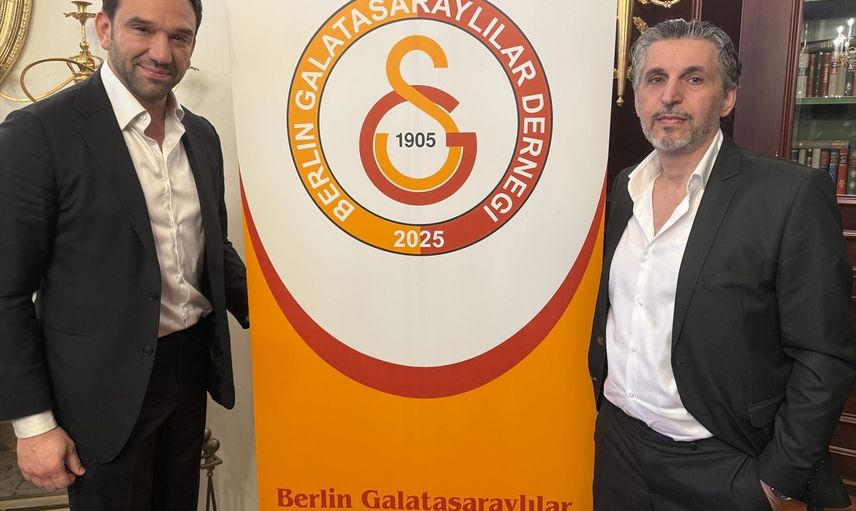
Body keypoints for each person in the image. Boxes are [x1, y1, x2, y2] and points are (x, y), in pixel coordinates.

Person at [589, 18, 856, 510]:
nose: (670, 96)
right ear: (639, 96)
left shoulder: (789, 195)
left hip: (722, 463)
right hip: (619, 448)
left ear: (727, 98)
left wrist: (776, 482)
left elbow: (824, 354)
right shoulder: (626, 188)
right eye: (655, 79)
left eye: (693, 78)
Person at [0, 0, 249, 509]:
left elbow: (212, 249)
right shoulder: (38, 134)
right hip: (97, 394)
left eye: (179, 36)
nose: (161, 52)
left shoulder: (201, 135)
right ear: (104, 28)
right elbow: (6, 291)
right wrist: (33, 423)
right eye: (142, 29)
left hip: (189, 372)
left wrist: (287, 318)